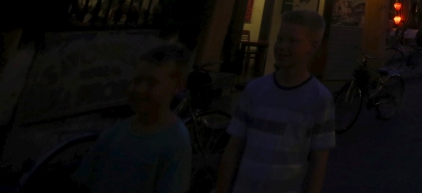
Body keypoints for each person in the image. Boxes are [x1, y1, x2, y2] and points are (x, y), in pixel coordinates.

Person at [216, 11, 334, 193]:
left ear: (313, 46)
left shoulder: (319, 99)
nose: (282, 46)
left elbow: (318, 163)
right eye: (280, 39)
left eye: (292, 41)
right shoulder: (255, 90)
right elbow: (233, 149)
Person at [73, 44, 192, 193]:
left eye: (151, 83)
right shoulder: (114, 134)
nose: (140, 89)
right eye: (137, 81)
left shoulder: (176, 142)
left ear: (177, 86)